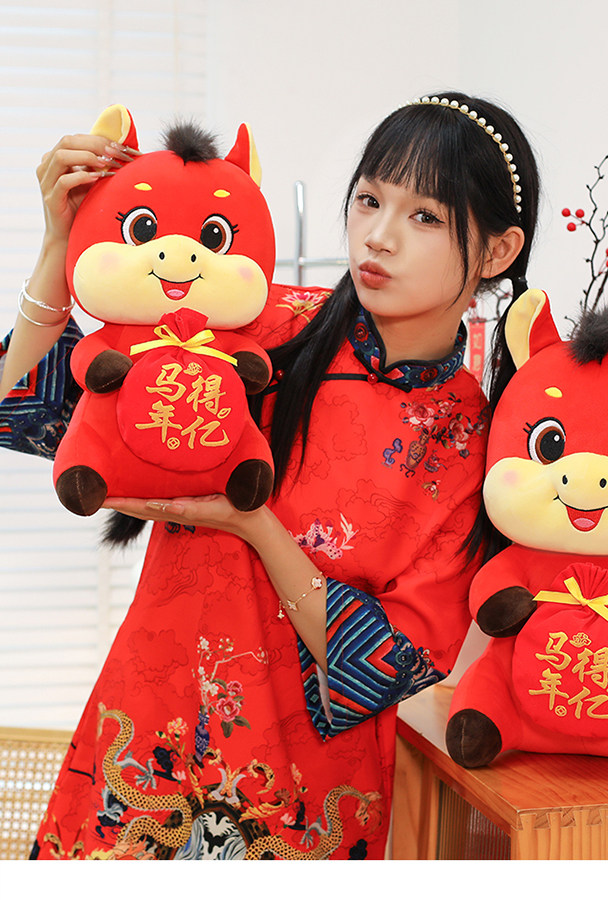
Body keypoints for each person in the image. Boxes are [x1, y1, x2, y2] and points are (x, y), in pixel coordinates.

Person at [0, 92, 539, 859]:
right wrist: (60, 244)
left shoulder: (479, 447)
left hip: (296, 806)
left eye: (425, 216)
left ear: (497, 251)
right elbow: (33, 404)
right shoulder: (264, 324)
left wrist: (250, 522)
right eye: (370, 200)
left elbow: (389, 664)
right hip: (144, 747)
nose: (379, 235)